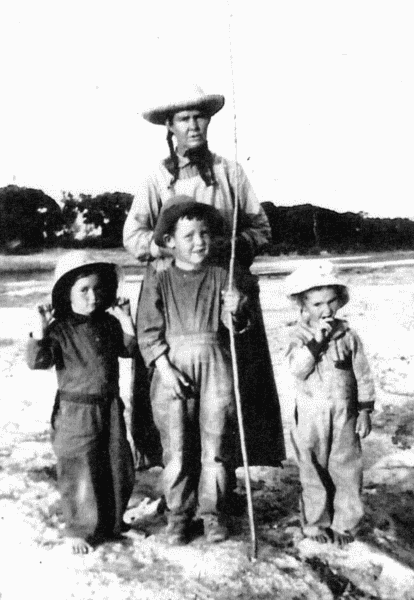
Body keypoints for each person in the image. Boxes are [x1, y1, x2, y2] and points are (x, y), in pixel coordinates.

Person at [123, 83, 285, 473]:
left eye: (199, 116)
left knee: (231, 388)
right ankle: (177, 480)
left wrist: (228, 247)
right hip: (174, 292)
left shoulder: (231, 172)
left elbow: (260, 228)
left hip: (224, 290)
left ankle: (223, 480)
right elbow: (133, 236)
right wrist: (168, 249)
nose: (193, 125)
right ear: (170, 125)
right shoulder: (156, 179)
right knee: (171, 387)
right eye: (184, 118)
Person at [137, 196, 251, 545]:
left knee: (215, 445)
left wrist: (236, 309)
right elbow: (148, 330)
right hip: (172, 369)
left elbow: (233, 328)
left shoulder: (221, 275)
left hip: (215, 364)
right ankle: (178, 515)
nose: (200, 241)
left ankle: (213, 513)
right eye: (189, 236)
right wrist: (165, 368)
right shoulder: (159, 278)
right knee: (177, 448)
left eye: (205, 233)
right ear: (169, 242)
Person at [26, 251, 136, 554]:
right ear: (67, 293)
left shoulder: (109, 324)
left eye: (98, 288)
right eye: (83, 290)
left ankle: (113, 522)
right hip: (76, 410)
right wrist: (40, 327)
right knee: (79, 467)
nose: (93, 296)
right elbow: (37, 361)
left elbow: (129, 350)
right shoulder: (60, 329)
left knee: (116, 464)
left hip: (110, 406)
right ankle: (79, 528)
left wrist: (126, 318)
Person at [285, 261, 376, 547]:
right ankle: (315, 523)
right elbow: (298, 369)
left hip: (344, 413)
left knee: (346, 469)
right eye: (316, 304)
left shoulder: (348, 336)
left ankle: (345, 524)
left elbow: (362, 374)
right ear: (302, 305)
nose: (325, 310)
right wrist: (316, 342)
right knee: (312, 470)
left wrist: (365, 410)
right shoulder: (298, 336)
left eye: (331, 301)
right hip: (311, 415)